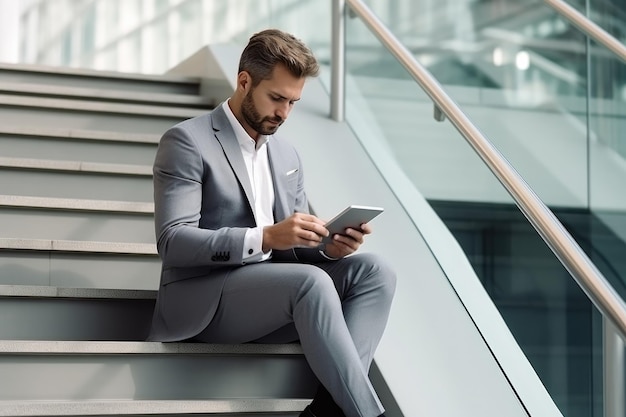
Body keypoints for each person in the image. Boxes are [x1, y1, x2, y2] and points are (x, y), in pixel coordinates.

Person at [147, 28, 396, 417]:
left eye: (293, 102)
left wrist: (328, 246)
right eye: (276, 98)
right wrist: (263, 237)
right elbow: (173, 241)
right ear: (244, 82)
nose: (284, 113)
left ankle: (329, 410)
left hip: (276, 294)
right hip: (205, 300)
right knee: (310, 284)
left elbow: (292, 248)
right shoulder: (187, 141)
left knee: (375, 271)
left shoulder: (286, 153)